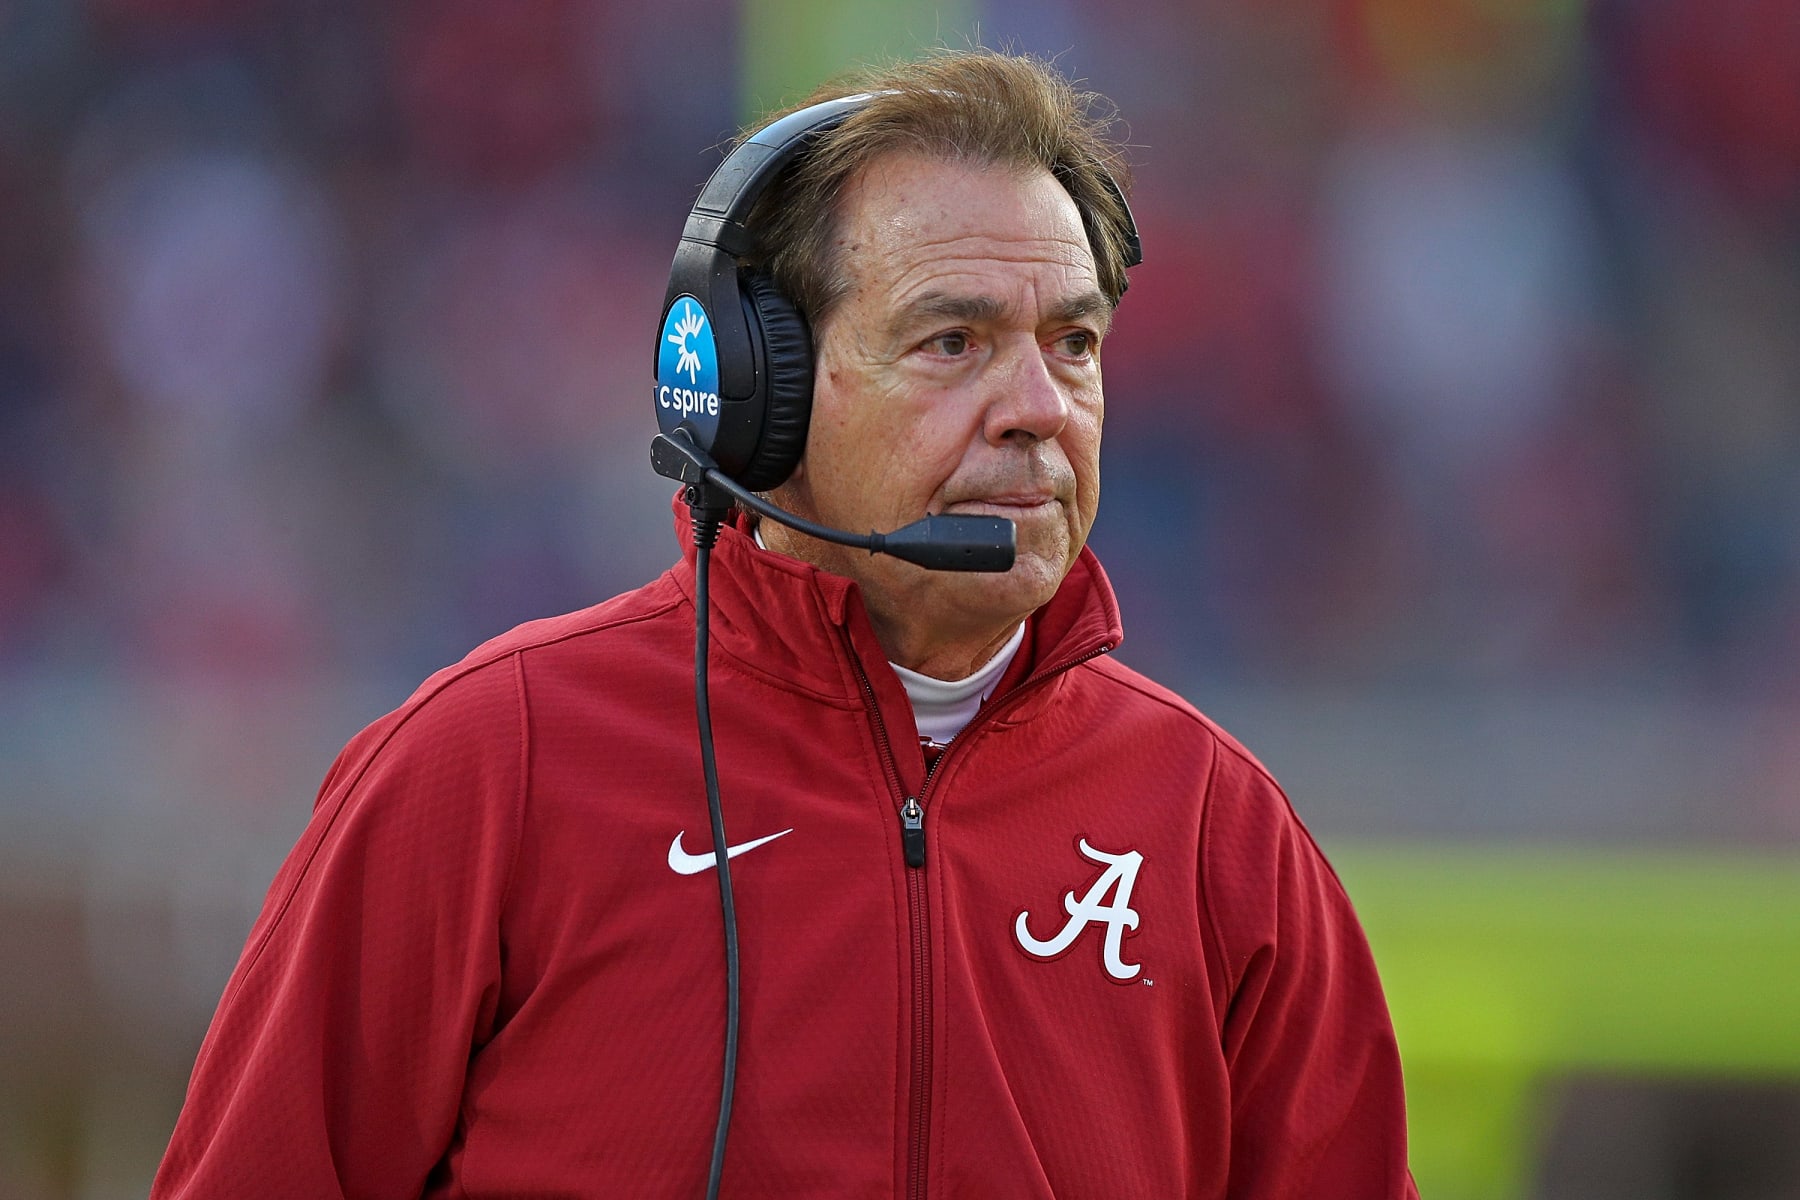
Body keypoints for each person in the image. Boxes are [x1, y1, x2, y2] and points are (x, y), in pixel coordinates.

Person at [153, 49, 1416, 1198]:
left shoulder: (1219, 832)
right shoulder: (485, 768)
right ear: (758, 391)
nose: (1039, 406)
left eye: (1072, 342)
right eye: (954, 339)